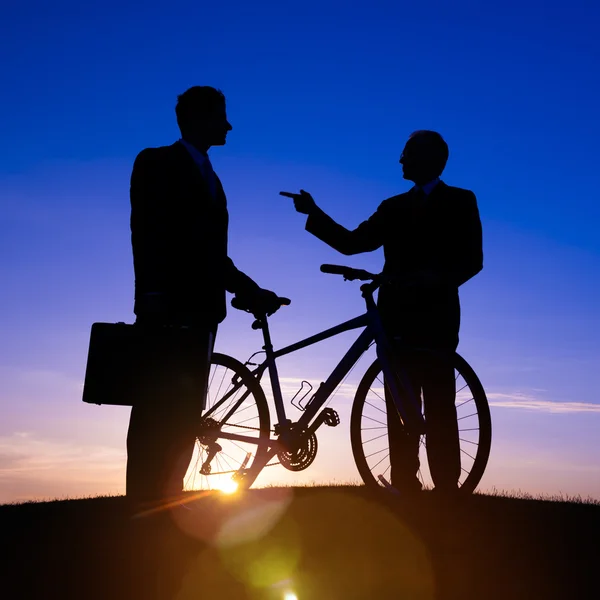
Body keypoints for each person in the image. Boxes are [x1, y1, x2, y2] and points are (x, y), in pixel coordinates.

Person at [281, 130, 483, 494]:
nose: (400, 161)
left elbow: (472, 260)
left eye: (406, 154)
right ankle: (404, 486)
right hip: (396, 318)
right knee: (398, 406)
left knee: (439, 402)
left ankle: (447, 490)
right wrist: (314, 214)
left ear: (428, 159)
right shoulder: (393, 207)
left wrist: (432, 279)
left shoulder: (461, 201)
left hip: (437, 319)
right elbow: (352, 243)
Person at [127, 85, 284, 506]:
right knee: (154, 408)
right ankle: (142, 502)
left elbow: (213, 255)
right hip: (167, 306)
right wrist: (153, 292)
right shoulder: (156, 162)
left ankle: (166, 500)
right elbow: (146, 233)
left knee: (183, 413)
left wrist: (250, 289)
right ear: (198, 118)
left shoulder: (211, 177)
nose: (229, 125)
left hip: (202, 310)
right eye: (221, 116)